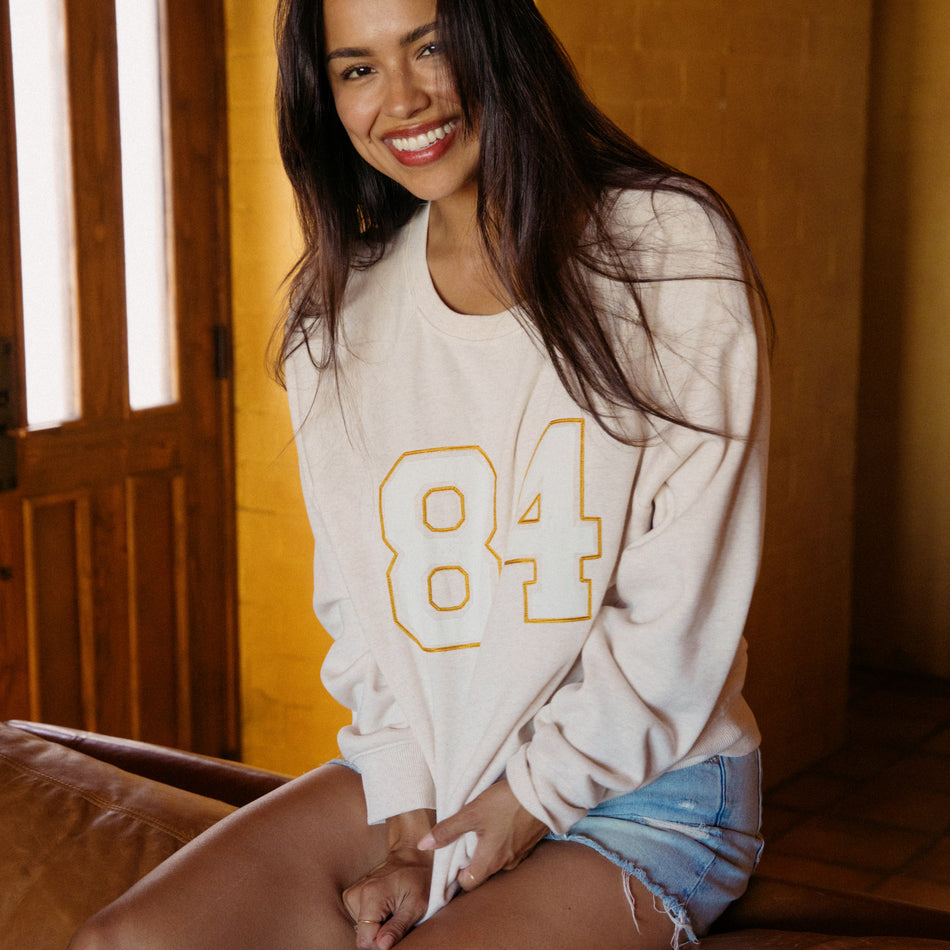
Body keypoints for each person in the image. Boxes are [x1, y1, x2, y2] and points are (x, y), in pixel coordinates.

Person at [69, 0, 771, 947]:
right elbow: (361, 609)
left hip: (645, 791)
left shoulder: (666, 248)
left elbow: (679, 613)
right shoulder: (336, 312)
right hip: (438, 766)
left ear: (496, 37)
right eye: (357, 69)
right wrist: (408, 814)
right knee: (123, 943)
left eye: (430, 46)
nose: (401, 100)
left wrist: (510, 817)